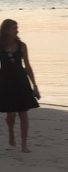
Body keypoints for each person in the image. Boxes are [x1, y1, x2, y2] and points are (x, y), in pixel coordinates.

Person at [0, 18, 40, 153]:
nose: (17, 30)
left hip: (21, 82)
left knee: (23, 113)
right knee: (10, 114)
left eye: (17, 28)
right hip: (5, 82)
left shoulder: (22, 46)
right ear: (6, 30)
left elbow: (28, 66)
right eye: (14, 28)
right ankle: (11, 132)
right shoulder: (0, 46)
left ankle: (24, 144)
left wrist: (35, 85)